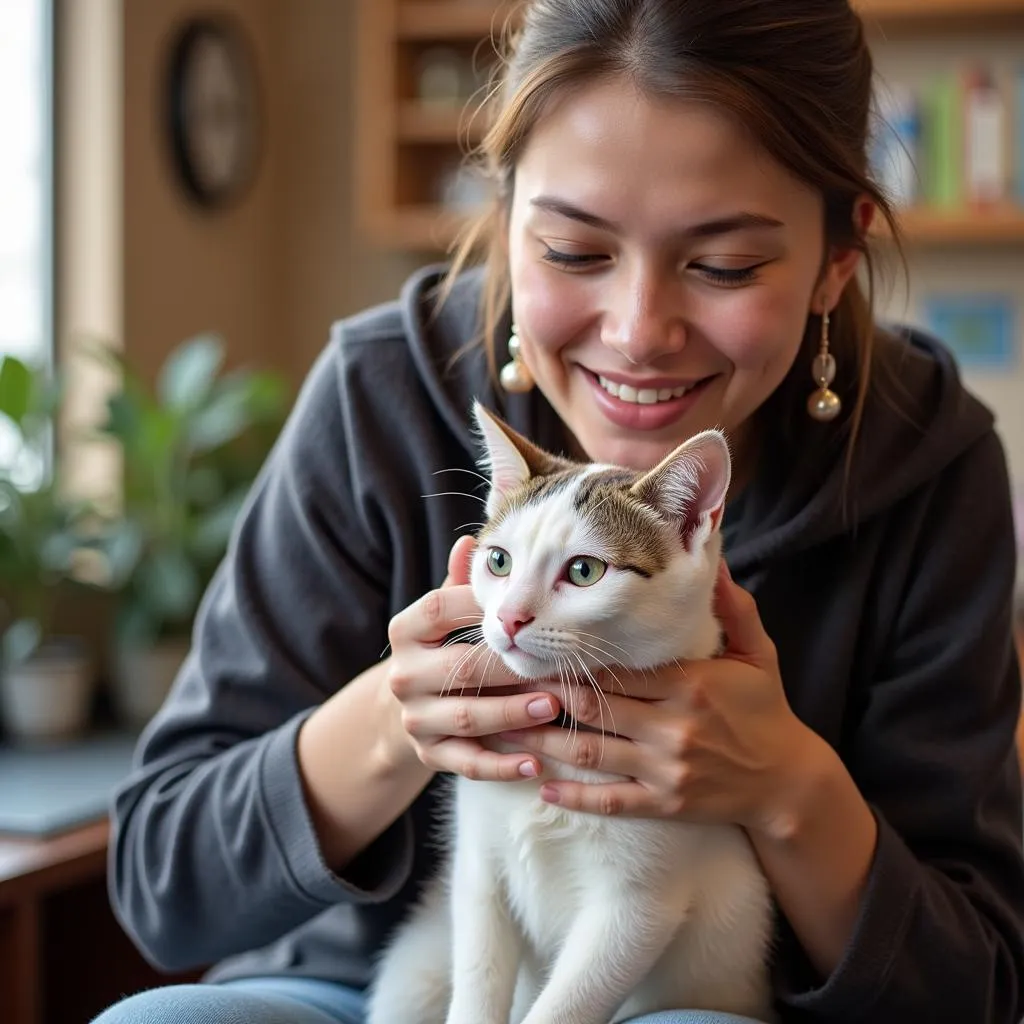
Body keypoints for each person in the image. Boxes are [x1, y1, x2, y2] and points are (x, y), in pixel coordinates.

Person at [93, 1, 1024, 1022]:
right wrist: (402, 720)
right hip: (364, 981)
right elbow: (160, 883)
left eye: (722, 265)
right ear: (503, 227)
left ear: (833, 263)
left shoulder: (928, 462)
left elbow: (972, 987)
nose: (636, 335)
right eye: (575, 252)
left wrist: (787, 787)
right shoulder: (381, 396)